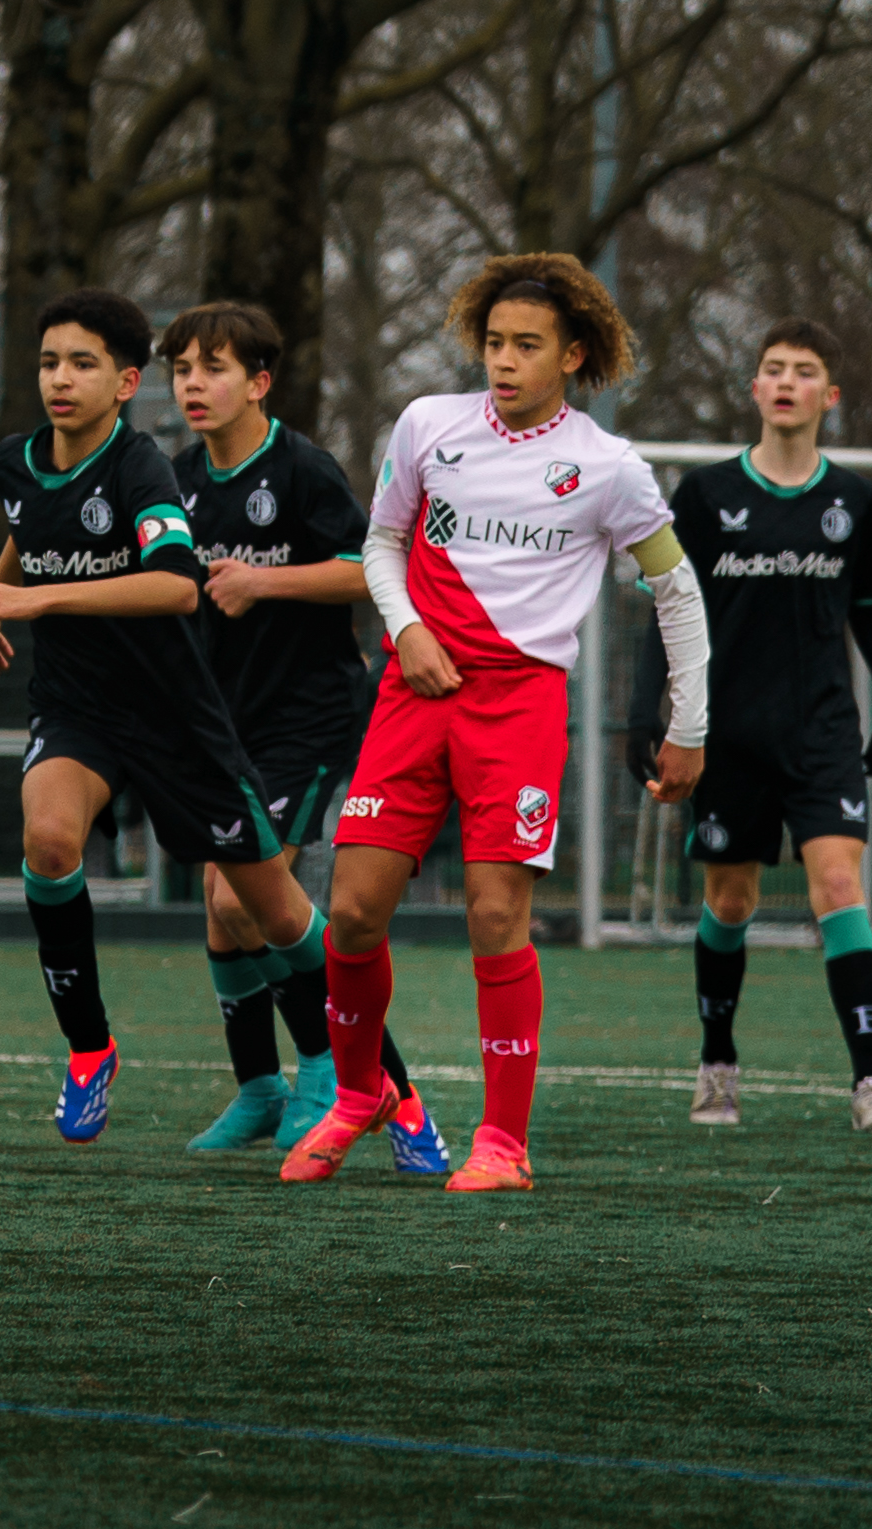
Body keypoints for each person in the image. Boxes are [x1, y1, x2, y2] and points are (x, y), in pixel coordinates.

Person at [285, 253, 712, 1193]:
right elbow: (383, 540)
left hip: (518, 705)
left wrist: (691, 726)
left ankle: (503, 1142)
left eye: (527, 345)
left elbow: (677, 592)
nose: (504, 361)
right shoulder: (428, 426)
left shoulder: (610, 469)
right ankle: (361, 1095)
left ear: (574, 355)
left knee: (494, 914)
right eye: (493, 342)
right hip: (412, 691)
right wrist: (407, 630)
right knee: (351, 910)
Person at [0, 289, 338, 1148]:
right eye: (49, 361)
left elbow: (174, 585)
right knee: (49, 841)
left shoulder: (147, 468)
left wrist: (32, 598)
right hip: (78, 711)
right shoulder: (15, 460)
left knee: (266, 906)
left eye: (82, 363)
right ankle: (91, 1048)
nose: (60, 378)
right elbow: (29, 527)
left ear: (124, 383)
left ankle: (367, 1074)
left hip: (184, 716)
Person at [158, 302, 442, 1170]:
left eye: (213, 367)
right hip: (219, 720)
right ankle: (260, 1086)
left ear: (259, 381)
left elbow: (369, 567)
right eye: (182, 370)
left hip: (309, 718)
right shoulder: (176, 478)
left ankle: (341, 1074)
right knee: (223, 904)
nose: (194, 385)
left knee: (258, 896)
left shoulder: (303, 469)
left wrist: (265, 581)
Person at [634, 319, 872, 1134]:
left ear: (830, 395)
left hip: (822, 734)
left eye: (804, 371)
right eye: (772, 369)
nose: (786, 382)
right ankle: (717, 1062)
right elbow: (667, 614)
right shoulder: (705, 495)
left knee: (837, 887)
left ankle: (871, 1082)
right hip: (727, 736)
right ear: (754, 389)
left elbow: (870, 619)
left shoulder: (856, 501)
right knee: (731, 897)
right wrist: (640, 710)